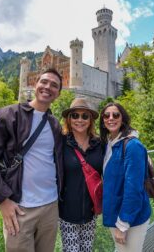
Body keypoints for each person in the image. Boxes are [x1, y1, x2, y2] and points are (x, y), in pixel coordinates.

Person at [0, 68, 63, 252]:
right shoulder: (7, 115)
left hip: (50, 206)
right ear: (35, 84)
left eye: (54, 85)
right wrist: (3, 200)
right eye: (44, 82)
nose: (48, 87)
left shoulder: (54, 124)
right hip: (19, 208)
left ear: (58, 94)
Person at [99, 102, 151, 252]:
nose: (111, 118)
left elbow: (133, 188)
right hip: (116, 212)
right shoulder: (109, 144)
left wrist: (123, 225)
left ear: (123, 118)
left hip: (130, 219)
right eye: (106, 115)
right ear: (102, 120)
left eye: (116, 115)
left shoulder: (132, 146)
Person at [59, 98, 104, 252]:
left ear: (90, 120)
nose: (80, 120)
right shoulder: (61, 143)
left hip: (91, 214)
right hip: (67, 214)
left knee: (87, 250)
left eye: (85, 116)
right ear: (69, 119)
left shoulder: (99, 144)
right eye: (75, 116)